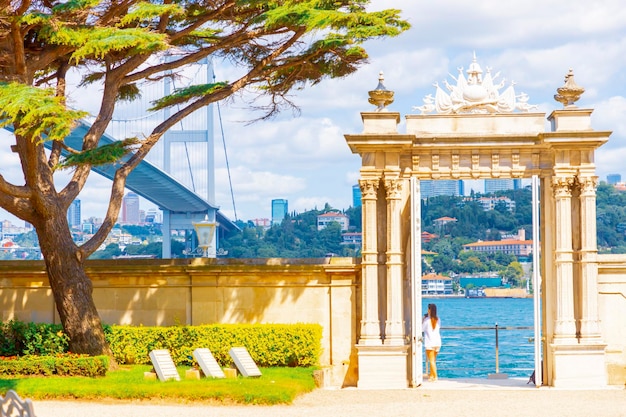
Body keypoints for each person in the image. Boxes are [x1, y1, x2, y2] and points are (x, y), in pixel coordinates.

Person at [422, 303, 441, 381]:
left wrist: (423, 319)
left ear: (429, 310)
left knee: (431, 360)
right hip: (437, 341)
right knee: (433, 360)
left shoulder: (427, 320)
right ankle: (432, 375)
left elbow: (422, 329)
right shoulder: (438, 319)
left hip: (430, 342)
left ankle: (435, 376)